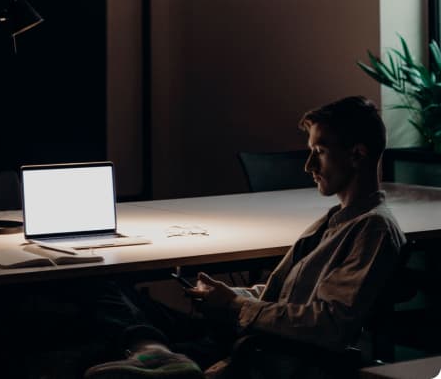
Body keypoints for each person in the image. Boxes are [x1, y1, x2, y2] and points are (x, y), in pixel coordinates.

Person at [82, 96, 406, 379]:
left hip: (261, 351)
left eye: (319, 152)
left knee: (106, 337)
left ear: (358, 155)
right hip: (249, 332)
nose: (308, 165)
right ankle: (156, 352)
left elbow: (328, 325)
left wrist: (236, 305)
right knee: (110, 288)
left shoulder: (372, 229)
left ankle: (156, 352)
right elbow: (287, 295)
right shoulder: (337, 219)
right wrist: (227, 294)